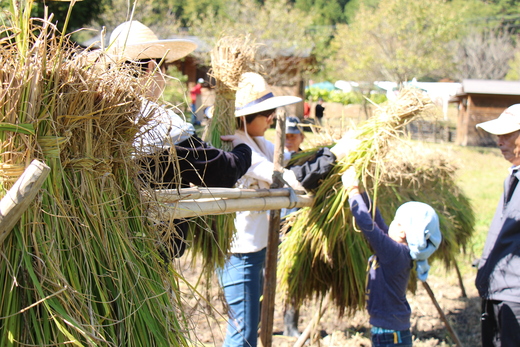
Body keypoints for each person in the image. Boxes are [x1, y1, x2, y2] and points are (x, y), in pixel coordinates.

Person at [219, 72, 353, 347]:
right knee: (242, 333)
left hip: (256, 250)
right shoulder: (240, 146)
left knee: (249, 326)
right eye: (265, 113)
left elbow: (292, 160)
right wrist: (334, 155)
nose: (271, 118)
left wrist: (330, 149)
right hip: (239, 253)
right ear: (244, 117)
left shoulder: (260, 142)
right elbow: (288, 178)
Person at [104, 21, 252, 258]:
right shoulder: (159, 123)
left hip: (98, 249)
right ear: (152, 67)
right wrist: (243, 149)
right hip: (147, 259)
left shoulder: (96, 117)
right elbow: (222, 173)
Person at [342, 166, 442, 347]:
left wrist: (352, 191)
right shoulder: (398, 251)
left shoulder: (395, 253)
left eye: (395, 222)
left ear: (403, 232)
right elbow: (376, 219)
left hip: (391, 335)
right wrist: (362, 192)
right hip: (389, 331)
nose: (390, 225)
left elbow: (368, 226)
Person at [474, 104, 520, 346]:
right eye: (498, 135)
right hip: (496, 292)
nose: (499, 142)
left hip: (515, 296)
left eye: (507, 135)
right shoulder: (512, 178)